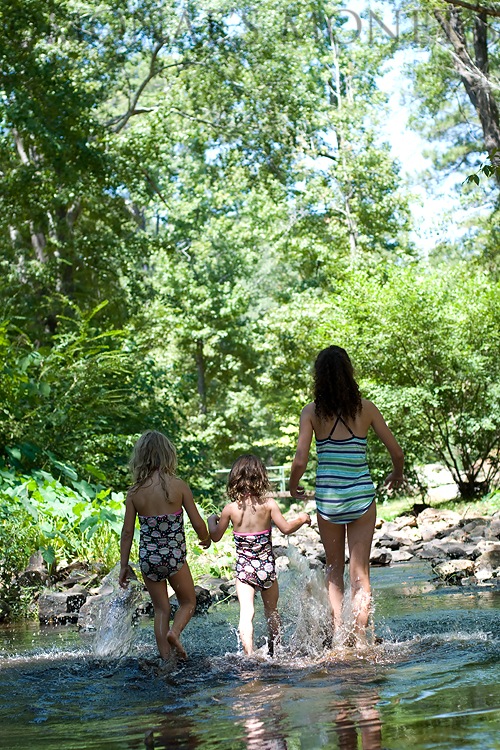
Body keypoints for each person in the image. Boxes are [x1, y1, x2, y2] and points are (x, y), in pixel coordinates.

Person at [289, 345, 404, 646]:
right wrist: (397, 473)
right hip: (361, 498)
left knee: (333, 570)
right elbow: (397, 452)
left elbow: (300, 460)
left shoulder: (311, 413)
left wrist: (293, 485)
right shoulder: (365, 408)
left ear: (319, 378)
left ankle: (340, 638)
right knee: (360, 572)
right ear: (348, 373)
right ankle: (362, 638)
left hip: (329, 501)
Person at [119, 430, 211, 661]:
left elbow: (128, 532)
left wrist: (123, 565)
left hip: (149, 559)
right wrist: (205, 538)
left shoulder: (135, 493)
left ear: (141, 457)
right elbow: (197, 521)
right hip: (174, 556)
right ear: (168, 455)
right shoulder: (178, 486)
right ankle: (175, 632)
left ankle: (167, 662)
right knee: (189, 602)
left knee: (161, 610)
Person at [208, 454, 311, 656]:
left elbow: (215, 536)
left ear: (235, 479)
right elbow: (286, 529)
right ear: (261, 478)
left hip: (244, 570)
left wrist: (212, 520)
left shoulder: (230, 509)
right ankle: (276, 652)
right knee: (272, 611)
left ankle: (248, 655)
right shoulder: (269, 505)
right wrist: (301, 518)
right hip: (266, 568)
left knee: (247, 613)